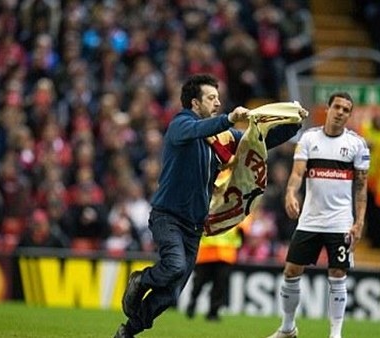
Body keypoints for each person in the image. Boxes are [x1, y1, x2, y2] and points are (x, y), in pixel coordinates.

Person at [113, 73, 303, 338]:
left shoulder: (219, 138)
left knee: (171, 292)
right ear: (194, 103)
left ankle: (128, 331)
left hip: (194, 226)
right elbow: (197, 130)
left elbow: (258, 140)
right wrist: (227, 119)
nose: (217, 102)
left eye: (218, 97)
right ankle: (141, 280)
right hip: (167, 216)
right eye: (211, 97)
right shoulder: (181, 124)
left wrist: (293, 124)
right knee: (175, 266)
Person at [266, 92, 369, 338]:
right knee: (291, 271)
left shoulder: (357, 145)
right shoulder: (309, 138)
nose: (341, 112)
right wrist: (290, 193)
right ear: (328, 108)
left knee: (337, 274)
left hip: (340, 222)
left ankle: (335, 334)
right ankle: (287, 328)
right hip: (310, 220)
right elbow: (297, 174)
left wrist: (359, 222)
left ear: (349, 114)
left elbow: (361, 187)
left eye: (346, 109)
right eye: (338, 107)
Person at [185, 225, 242, 321]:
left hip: (225, 255)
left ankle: (213, 312)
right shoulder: (206, 210)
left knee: (219, 285)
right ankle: (193, 302)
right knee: (199, 283)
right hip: (207, 254)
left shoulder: (235, 211)